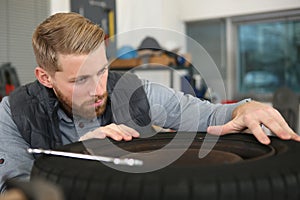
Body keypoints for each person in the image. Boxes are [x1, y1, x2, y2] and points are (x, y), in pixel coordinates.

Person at [0, 12, 299, 192]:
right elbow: (14, 192)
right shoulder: (13, 113)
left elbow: (208, 116)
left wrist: (243, 107)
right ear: (45, 77)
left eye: (102, 71)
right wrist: (76, 155)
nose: (98, 89)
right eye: (80, 80)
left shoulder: (136, 93)